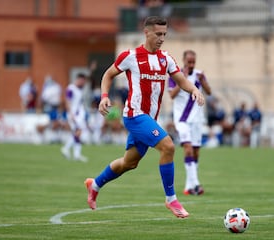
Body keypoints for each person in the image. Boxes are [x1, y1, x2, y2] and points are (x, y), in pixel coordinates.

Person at [84, 16, 205, 218]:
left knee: (128, 163)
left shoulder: (166, 59)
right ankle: (171, 199)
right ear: (146, 32)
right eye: (158, 34)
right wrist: (104, 96)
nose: (162, 38)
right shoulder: (130, 56)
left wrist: (194, 90)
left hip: (149, 119)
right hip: (134, 115)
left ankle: (94, 184)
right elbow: (108, 75)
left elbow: (181, 80)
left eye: (165, 34)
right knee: (168, 146)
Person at [168, 50, 211, 196]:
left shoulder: (199, 74)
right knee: (188, 149)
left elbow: (209, 92)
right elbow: (172, 95)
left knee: (196, 152)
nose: (191, 64)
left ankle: (189, 186)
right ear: (184, 60)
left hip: (197, 119)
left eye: (193, 62)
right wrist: (182, 80)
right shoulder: (176, 74)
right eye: (189, 62)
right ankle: (197, 183)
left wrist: (203, 80)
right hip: (182, 120)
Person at [60, 73, 89, 162]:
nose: (83, 83)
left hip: (78, 115)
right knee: (78, 132)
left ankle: (76, 154)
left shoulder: (79, 89)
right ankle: (67, 149)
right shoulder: (71, 88)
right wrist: (71, 113)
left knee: (78, 133)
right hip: (74, 115)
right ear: (79, 79)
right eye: (83, 81)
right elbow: (67, 101)